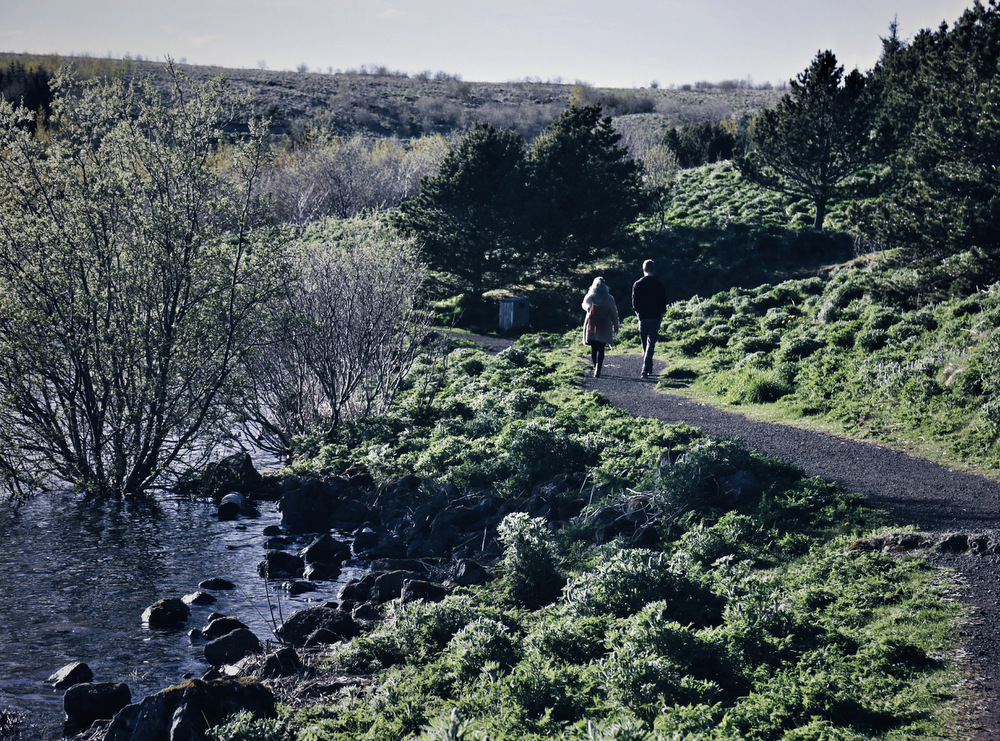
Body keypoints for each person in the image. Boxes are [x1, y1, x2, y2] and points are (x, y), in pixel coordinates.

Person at [631, 259, 667, 379]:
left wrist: (638, 316)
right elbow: (663, 305)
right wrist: (661, 318)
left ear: (643, 269)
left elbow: (635, 305)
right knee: (650, 344)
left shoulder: (637, 284)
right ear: (654, 269)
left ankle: (646, 368)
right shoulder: (660, 284)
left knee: (644, 344)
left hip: (643, 317)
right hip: (655, 317)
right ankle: (646, 368)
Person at [581, 276, 619, 378]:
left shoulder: (590, 296)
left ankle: (594, 366)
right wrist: (616, 326)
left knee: (594, 347)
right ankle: (599, 367)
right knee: (601, 348)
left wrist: (590, 310)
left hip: (592, 325)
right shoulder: (609, 298)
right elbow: (614, 313)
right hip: (604, 325)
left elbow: (585, 306)